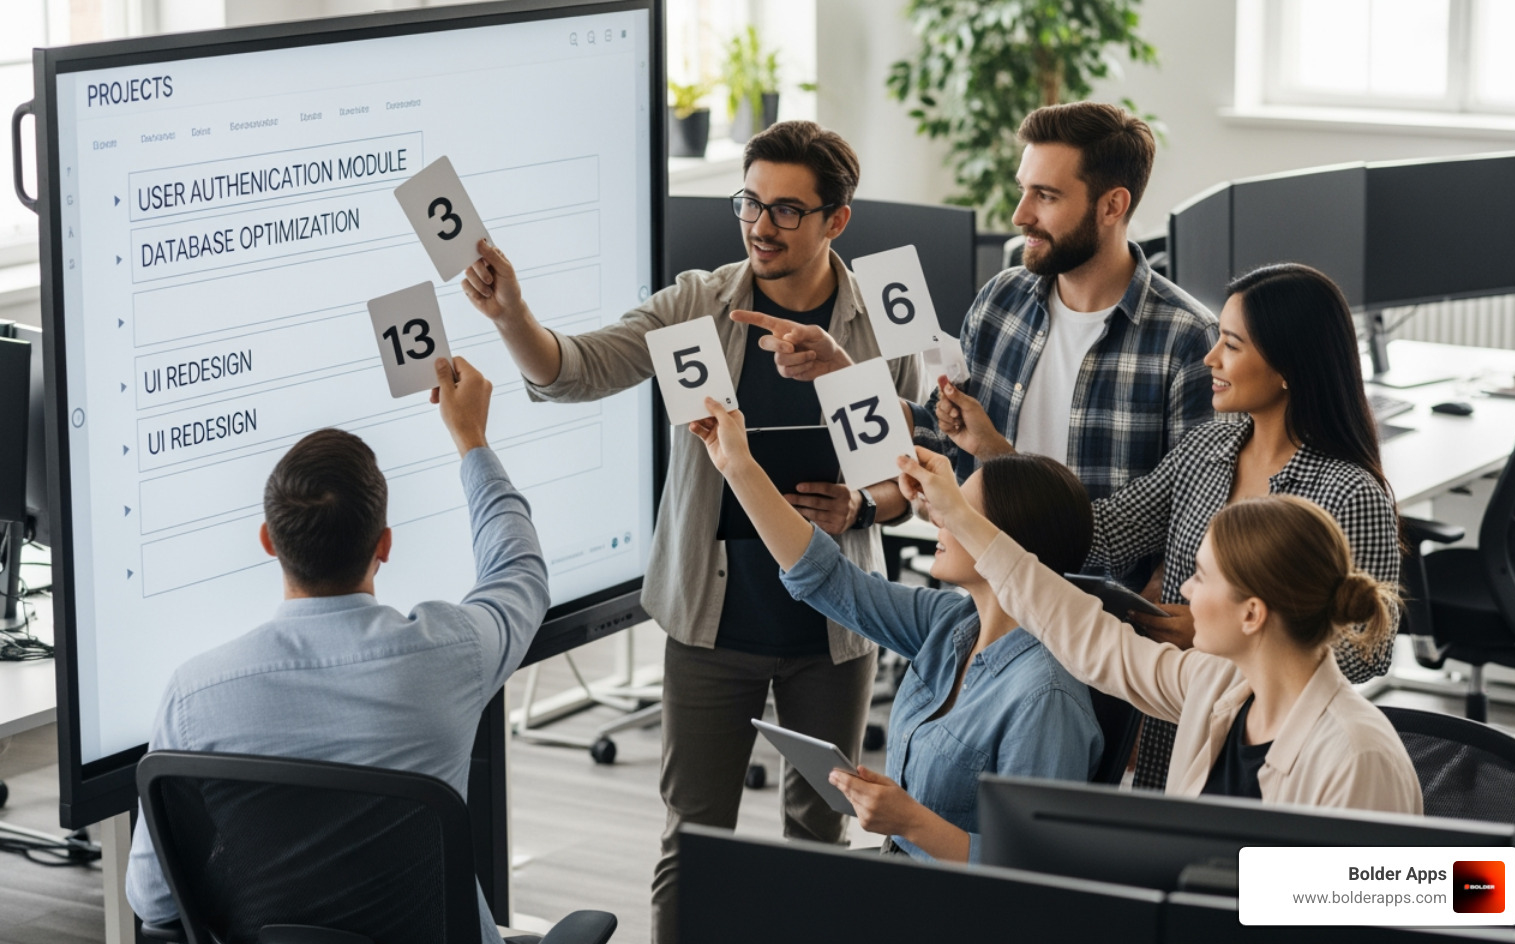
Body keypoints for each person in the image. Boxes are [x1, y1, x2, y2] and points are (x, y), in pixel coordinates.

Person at [459, 121, 920, 943]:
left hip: (832, 629)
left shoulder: (879, 322)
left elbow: (913, 473)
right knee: (693, 839)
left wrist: (863, 508)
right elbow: (577, 369)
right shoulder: (699, 305)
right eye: (749, 202)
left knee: (817, 839)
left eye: (785, 209)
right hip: (712, 624)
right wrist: (512, 315)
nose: (759, 225)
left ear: (835, 221)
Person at [126, 357, 548, 944]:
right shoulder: (451, 652)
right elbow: (520, 573)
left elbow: (151, 898)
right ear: (385, 545)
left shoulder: (195, 695)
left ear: (269, 541)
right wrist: (471, 439)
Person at [689, 396, 1103, 863]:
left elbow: (1035, 871)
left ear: (1004, 542)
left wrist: (909, 821)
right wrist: (738, 467)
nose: (938, 520)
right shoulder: (951, 623)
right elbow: (827, 578)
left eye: (960, 510)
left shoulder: (1046, 697)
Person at [899, 447, 1422, 813]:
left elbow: (1412, 902)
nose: (1186, 592)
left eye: (1200, 576)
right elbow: (1083, 632)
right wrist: (958, 514)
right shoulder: (1218, 686)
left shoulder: (1357, 755)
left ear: (1252, 614)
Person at [1085, 263, 1402, 790]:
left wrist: (1227, 638)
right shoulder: (1210, 446)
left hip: (1279, 754)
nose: (1211, 359)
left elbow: (1370, 649)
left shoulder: (1350, 493)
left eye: (1231, 345)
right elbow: (1111, 529)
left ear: (1287, 366)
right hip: (1179, 730)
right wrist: (988, 485)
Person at [912, 101, 1217, 500]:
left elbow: (1186, 512)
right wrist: (843, 373)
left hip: (1089, 566)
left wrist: (996, 453)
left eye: (1046, 196)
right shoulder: (998, 302)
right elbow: (945, 439)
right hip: (980, 561)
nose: (1019, 216)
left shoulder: (1188, 339)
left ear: (1112, 206)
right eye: (1023, 190)